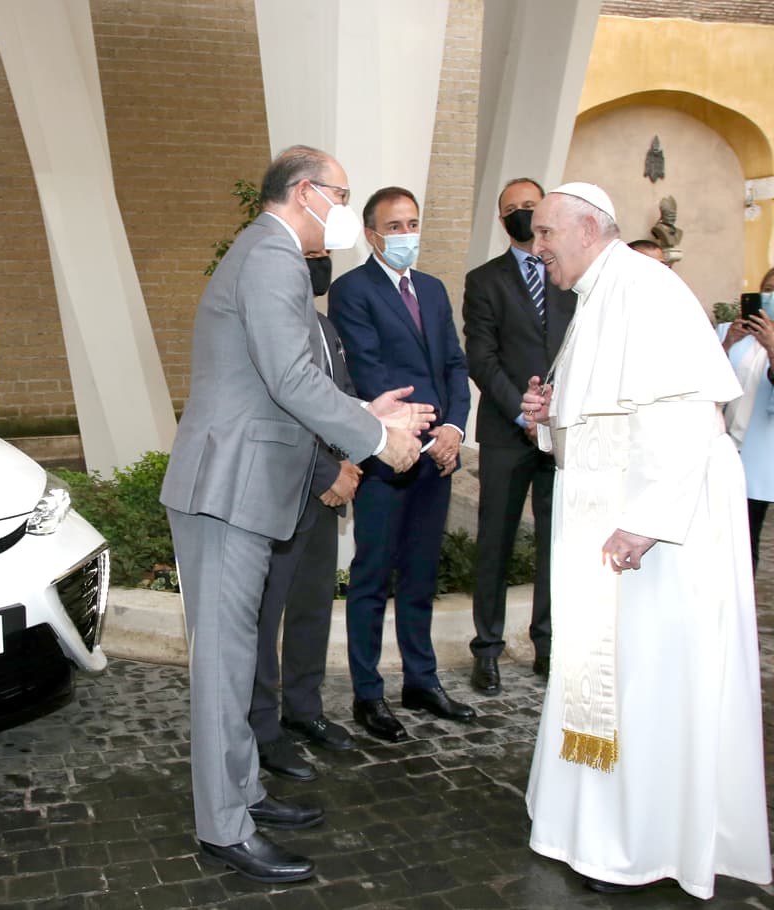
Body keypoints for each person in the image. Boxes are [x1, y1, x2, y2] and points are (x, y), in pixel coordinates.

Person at [160, 146, 432, 884]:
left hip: (245, 485)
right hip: (229, 490)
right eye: (341, 195)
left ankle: (243, 794)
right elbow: (287, 378)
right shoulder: (273, 255)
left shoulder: (267, 254)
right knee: (223, 665)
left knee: (239, 657)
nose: (345, 211)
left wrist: (363, 413)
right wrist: (379, 439)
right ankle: (222, 828)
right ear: (308, 193)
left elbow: (291, 380)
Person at [521, 182, 771, 899]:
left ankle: (640, 841)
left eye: (545, 234)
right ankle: (593, 828)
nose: (538, 250)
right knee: (608, 675)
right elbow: (602, 418)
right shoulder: (600, 293)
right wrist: (549, 416)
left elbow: (688, 414)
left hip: (660, 535)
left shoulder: (646, 289)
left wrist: (646, 521)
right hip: (621, 523)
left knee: (649, 680)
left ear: (590, 228)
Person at [328, 186, 475, 744]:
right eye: (394, 226)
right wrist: (415, 431)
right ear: (371, 234)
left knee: (420, 575)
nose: (406, 234)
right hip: (389, 457)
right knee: (372, 575)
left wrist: (453, 431)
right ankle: (369, 693)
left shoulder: (434, 290)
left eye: (412, 223)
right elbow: (368, 373)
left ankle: (422, 679)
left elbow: (455, 366)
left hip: (437, 457)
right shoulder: (352, 291)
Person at [462, 178, 575, 694]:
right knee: (496, 542)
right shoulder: (485, 280)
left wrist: (555, 412)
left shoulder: (569, 276)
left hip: (565, 430)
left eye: (531, 207)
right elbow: (481, 358)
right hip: (510, 432)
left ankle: (547, 644)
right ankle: (487, 648)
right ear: (501, 219)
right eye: (513, 210)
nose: (523, 215)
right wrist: (523, 412)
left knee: (556, 542)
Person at [251, 261, 360, 783]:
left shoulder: (326, 326)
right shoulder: (271, 325)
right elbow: (281, 408)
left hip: (327, 492)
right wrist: (326, 472)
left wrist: (353, 459)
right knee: (264, 618)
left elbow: (342, 401)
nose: (319, 266)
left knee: (313, 606)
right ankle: (263, 728)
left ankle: (303, 708)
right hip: (283, 494)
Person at [718, 265, 774, 569]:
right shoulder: (728, 332)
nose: (771, 296)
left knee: (746, 536)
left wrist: (771, 345)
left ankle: (743, 608)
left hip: (760, 453)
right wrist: (728, 343)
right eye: (767, 290)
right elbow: (705, 379)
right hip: (722, 442)